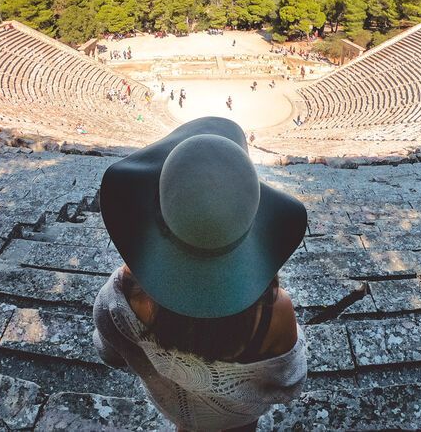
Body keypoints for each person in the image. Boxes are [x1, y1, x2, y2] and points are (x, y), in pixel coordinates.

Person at [93, 117, 307, 431]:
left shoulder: (119, 298)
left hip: (176, 411)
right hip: (239, 420)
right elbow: (290, 385)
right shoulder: (276, 313)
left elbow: (109, 353)